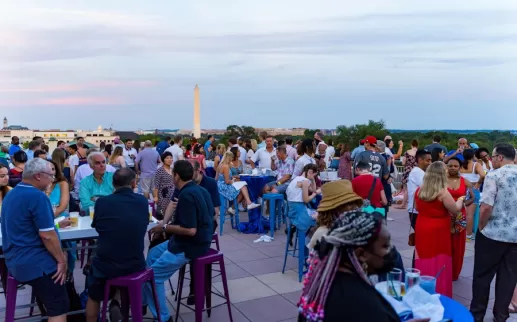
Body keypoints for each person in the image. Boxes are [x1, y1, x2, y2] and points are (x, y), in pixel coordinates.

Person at [298, 211, 417, 322]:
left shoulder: (325, 283)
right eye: (385, 246)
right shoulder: (362, 304)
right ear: (361, 254)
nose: (391, 250)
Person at [144, 160, 214, 322]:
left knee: (151, 277)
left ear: (176, 176)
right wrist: (164, 225)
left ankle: (163, 317)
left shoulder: (187, 195)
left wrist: (165, 228)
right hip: (194, 241)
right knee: (153, 254)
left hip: (190, 246)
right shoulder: (200, 190)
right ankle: (147, 300)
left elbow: (190, 230)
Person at [1, 158, 70, 322]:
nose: (53, 179)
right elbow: (47, 234)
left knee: (51, 300)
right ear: (38, 176)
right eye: (50, 175)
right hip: (36, 263)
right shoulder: (37, 197)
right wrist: (61, 260)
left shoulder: (12, 193)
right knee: (58, 306)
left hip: (15, 260)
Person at [85, 168, 150, 322]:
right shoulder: (142, 201)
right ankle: (116, 301)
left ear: (113, 184)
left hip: (106, 265)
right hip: (135, 263)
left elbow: (97, 227)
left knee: (93, 291)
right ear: (134, 183)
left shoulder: (102, 202)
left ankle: (97, 314)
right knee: (121, 262)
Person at [471, 143, 517, 322]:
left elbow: (486, 207)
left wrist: (481, 227)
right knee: (508, 278)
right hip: (515, 237)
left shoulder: (494, 175)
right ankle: (500, 316)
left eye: (492, 157)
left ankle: (477, 315)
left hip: (492, 234)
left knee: (482, 276)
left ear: (499, 157)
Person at [414, 162, 463, 297]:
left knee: (423, 255)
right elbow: (455, 210)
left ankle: (422, 289)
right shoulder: (443, 192)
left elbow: (417, 208)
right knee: (439, 258)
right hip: (439, 228)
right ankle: (439, 290)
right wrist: (460, 200)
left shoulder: (420, 190)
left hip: (422, 225)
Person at [308, 180, 363, 250]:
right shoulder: (323, 234)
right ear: (334, 209)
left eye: (353, 203)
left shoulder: (354, 227)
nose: (355, 207)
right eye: (349, 203)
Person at [286, 163, 320, 245]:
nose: (313, 177)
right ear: (310, 172)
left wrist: (312, 179)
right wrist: (315, 194)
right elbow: (306, 200)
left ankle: (294, 230)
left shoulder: (297, 178)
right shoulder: (304, 181)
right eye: (313, 175)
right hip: (298, 212)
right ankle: (311, 246)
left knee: (316, 214)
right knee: (319, 219)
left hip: (292, 210)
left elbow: (313, 189)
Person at [460, 149, 485, 241]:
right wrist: (478, 183)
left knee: (461, 213)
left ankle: (460, 232)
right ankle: (468, 235)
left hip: (462, 189)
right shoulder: (476, 165)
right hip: (473, 189)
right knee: (470, 214)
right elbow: (483, 175)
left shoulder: (460, 165)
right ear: (473, 155)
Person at [395, 139, 419, 209]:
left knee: (406, 189)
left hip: (407, 170)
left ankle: (403, 204)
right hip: (416, 170)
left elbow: (403, 163)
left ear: (411, 145)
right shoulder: (419, 153)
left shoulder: (407, 152)